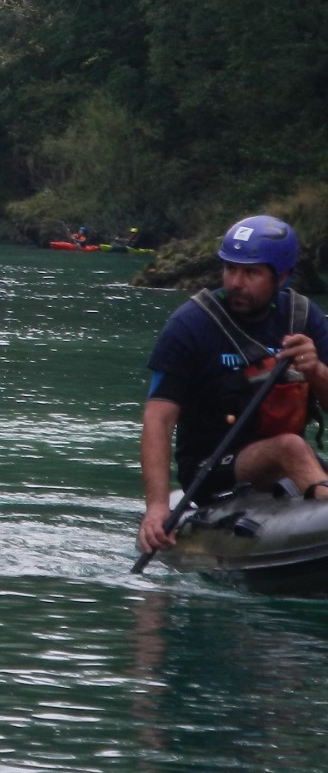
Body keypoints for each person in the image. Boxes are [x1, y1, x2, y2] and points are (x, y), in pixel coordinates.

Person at [138, 216, 328, 555]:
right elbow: (158, 419)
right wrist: (156, 507)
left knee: (293, 449)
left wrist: (315, 371)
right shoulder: (190, 324)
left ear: (281, 276)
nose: (236, 282)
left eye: (251, 273)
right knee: (291, 447)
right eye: (230, 269)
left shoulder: (303, 317)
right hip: (213, 466)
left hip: (286, 464)